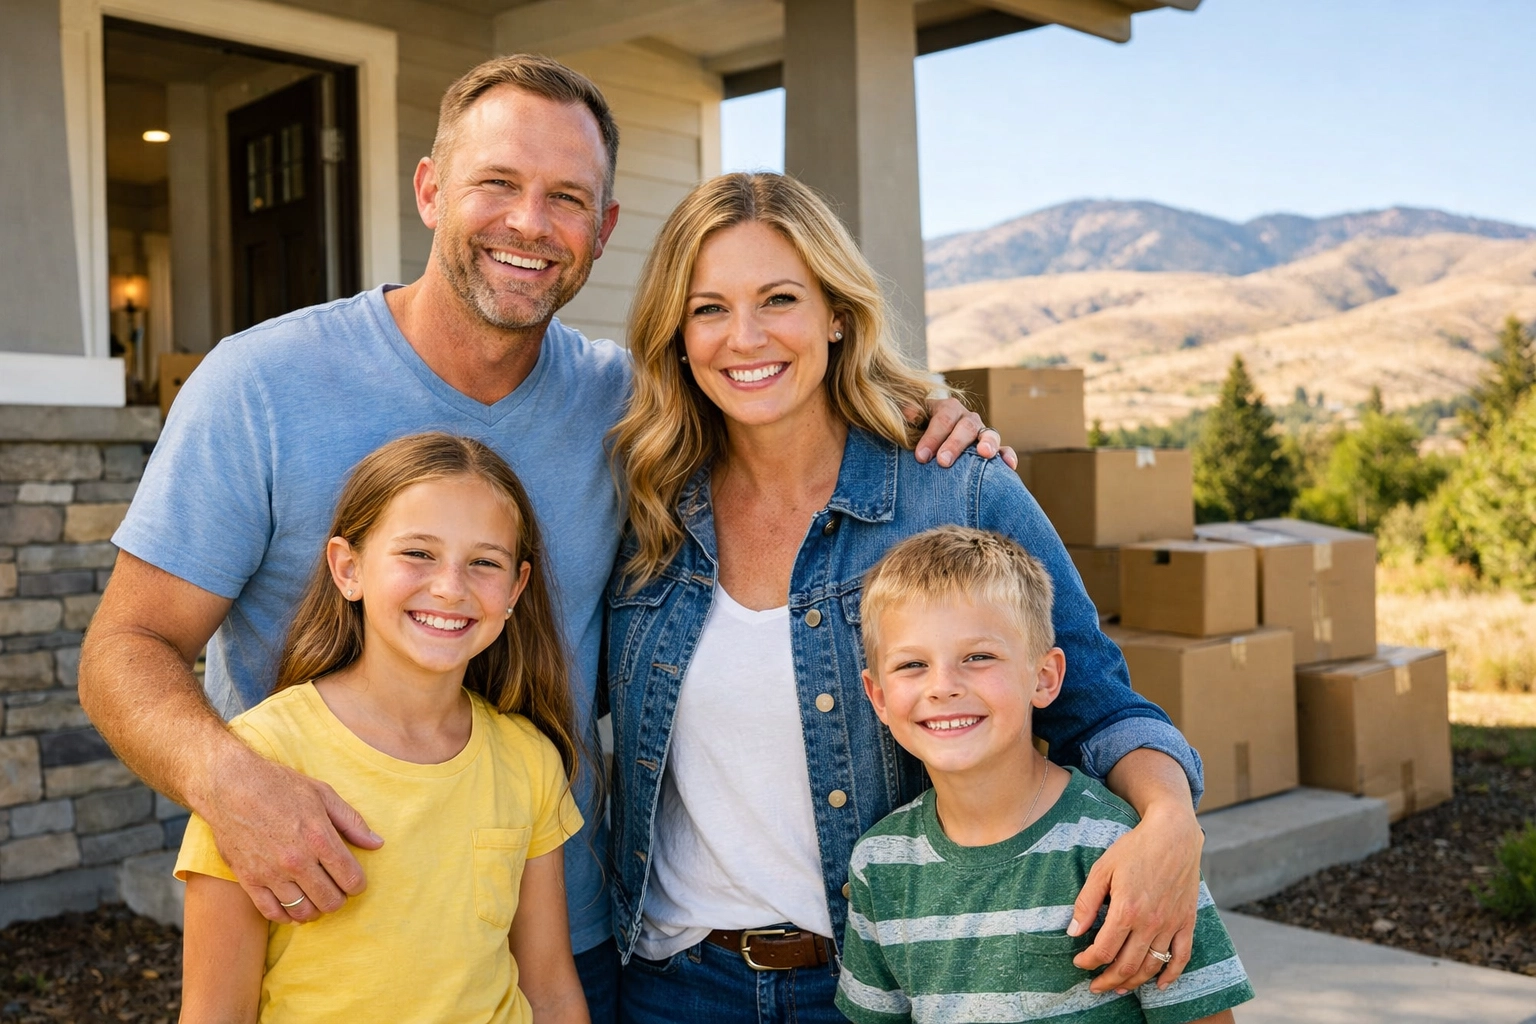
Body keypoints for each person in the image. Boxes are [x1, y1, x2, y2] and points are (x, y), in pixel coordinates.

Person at [76, 55, 1000, 1024]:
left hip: (563, 937)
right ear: (432, 190)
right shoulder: (260, 385)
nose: (529, 223)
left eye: (566, 198)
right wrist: (233, 786)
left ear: (603, 230)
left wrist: (922, 415)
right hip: (327, 933)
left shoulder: (629, 409)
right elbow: (126, 648)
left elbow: (778, 390)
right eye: (498, 184)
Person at [605, 172, 1210, 1024]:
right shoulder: (644, 505)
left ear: (836, 313)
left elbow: (1096, 703)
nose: (744, 337)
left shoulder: (953, 488)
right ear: (675, 331)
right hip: (671, 984)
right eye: (708, 309)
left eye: (779, 298)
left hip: (885, 981)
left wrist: (1170, 823)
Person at [177, 433, 588, 1023]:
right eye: (418, 553)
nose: (450, 586)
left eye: (484, 562)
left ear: (516, 589)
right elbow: (216, 1012)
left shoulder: (528, 759)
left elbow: (549, 990)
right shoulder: (259, 761)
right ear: (348, 569)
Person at [834, 526, 1253, 1024]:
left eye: (978, 657)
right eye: (912, 665)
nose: (943, 686)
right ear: (878, 695)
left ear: (1045, 677)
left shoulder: (1124, 848)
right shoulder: (879, 866)